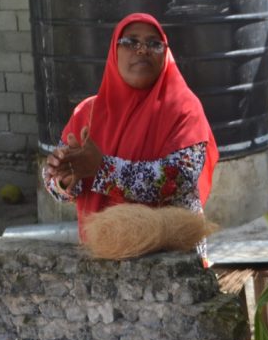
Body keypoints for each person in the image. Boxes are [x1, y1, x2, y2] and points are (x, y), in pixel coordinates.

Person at [43, 12, 218, 245]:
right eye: (130, 41)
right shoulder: (88, 112)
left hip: (171, 255)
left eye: (154, 44)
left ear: (165, 54)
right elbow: (56, 183)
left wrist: (101, 169)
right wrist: (63, 179)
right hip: (105, 253)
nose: (142, 49)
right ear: (113, 52)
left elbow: (178, 179)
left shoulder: (184, 109)